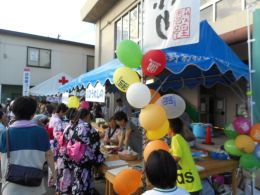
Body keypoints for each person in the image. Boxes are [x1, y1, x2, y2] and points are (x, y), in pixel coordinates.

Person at [0, 97, 55, 195]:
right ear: (33, 114)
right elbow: (49, 155)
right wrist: (54, 174)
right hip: (35, 186)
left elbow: (1, 158)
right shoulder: (41, 132)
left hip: (11, 187)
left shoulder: (6, 133)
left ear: (13, 112)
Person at [58, 108, 104, 195]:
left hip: (74, 157)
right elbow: (95, 143)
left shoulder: (72, 125)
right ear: (87, 116)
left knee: (78, 180)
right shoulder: (86, 126)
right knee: (84, 182)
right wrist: (98, 157)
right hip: (84, 160)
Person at [168, 118, 202, 195]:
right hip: (189, 182)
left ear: (171, 128)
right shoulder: (179, 138)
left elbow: (177, 157)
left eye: (166, 127)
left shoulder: (175, 138)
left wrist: (166, 163)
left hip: (189, 184)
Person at [56, 108, 78, 193]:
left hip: (64, 154)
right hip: (68, 155)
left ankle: (62, 190)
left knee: (65, 176)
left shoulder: (67, 125)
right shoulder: (72, 128)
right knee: (68, 176)